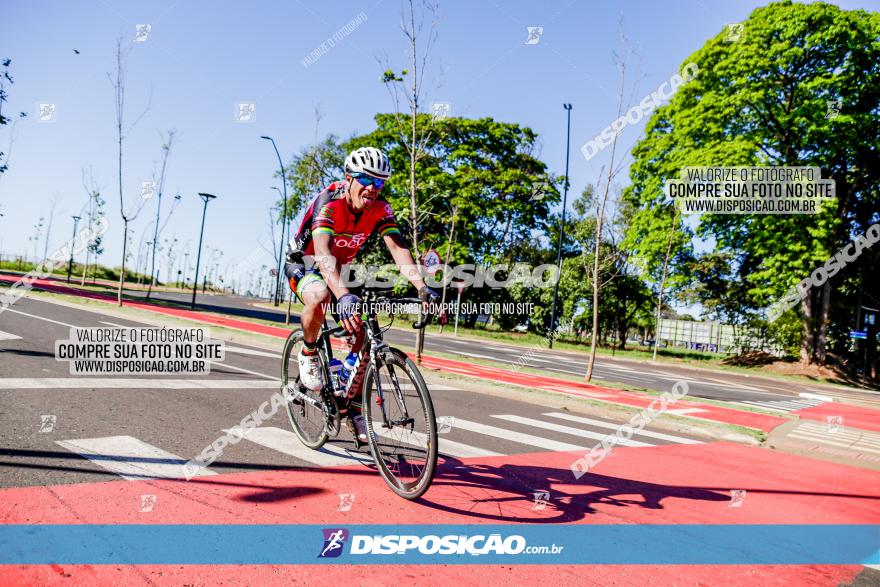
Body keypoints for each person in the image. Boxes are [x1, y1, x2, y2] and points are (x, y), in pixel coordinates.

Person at [284, 146, 440, 443]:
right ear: (349, 178)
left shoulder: (381, 209)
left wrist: (421, 287)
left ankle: (354, 407)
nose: (372, 188)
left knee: (367, 327)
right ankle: (308, 353)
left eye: (379, 183)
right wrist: (342, 295)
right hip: (306, 262)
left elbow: (398, 249)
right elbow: (323, 254)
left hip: (342, 267)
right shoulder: (328, 203)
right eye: (366, 180)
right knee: (319, 296)